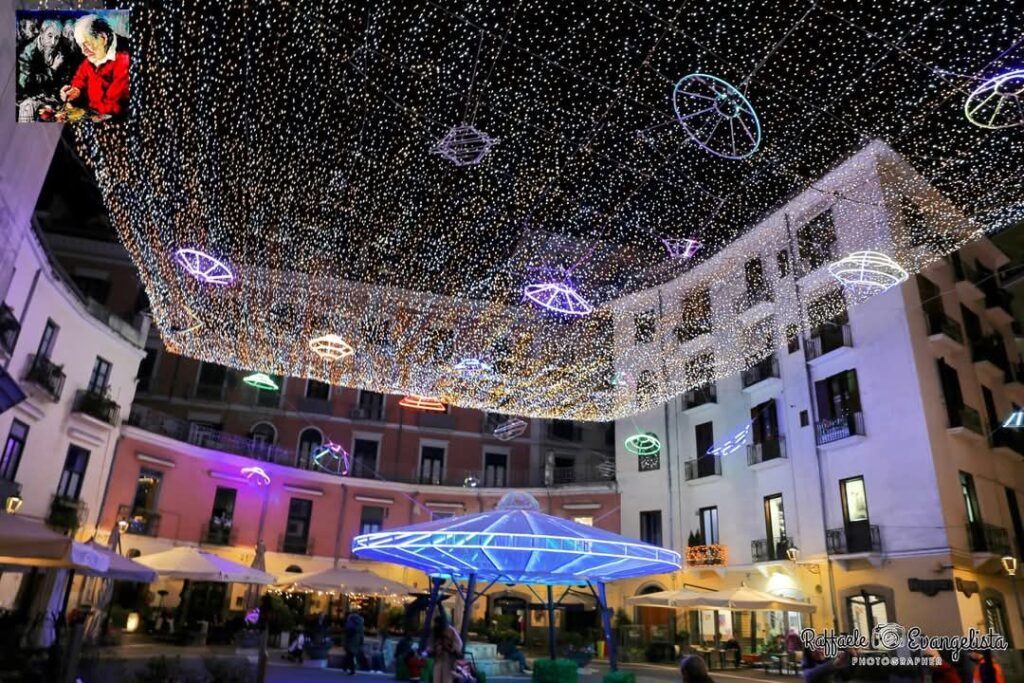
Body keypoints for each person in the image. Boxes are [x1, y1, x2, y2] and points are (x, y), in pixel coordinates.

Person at [59, 14, 130, 122]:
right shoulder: (95, 51)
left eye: (86, 44)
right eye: (81, 45)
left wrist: (80, 112)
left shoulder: (125, 57)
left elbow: (113, 105)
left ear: (103, 38)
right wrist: (75, 90)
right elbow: (81, 75)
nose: (84, 51)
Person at [17, 19, 74, 122]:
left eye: (57, 38)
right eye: (50, 36)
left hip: (53, 99)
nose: (53, 42)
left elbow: (66, 77)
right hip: (29, 98)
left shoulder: (61, 50)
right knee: (28, 107)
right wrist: (52, 69)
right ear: (42, 33)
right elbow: (25, 83)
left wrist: (64, 90)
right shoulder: (26, 52)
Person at [429, 612, 463, 683]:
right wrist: (433, 650)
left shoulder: (450, 630)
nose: (436, 625)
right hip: (438, 658)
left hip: (448, 658)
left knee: (447, 679)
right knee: (436, 678)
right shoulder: (435, 631)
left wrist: (450, 648)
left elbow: (459, 643)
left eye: (437, 623)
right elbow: (430, 644)